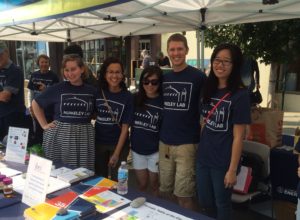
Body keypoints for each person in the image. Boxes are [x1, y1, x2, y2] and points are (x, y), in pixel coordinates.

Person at [196, 43, 251, 220]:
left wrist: (232, 170)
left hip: (223, 162)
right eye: (217, 60)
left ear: (234, 66)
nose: (220, 65)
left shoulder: (240, 95)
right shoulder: (208, 88)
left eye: (226, 61)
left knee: (222, 204)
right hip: (204, 157)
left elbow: (238, 137)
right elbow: (204, 121)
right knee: (205, 201)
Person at [159, 33, 206, 209]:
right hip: (165, 144)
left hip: (187, 145)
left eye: (180, 49)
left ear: (187, 50)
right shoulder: (165, 78)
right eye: (172, 49)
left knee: (184, 195)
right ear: (168, 52)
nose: (176, 53)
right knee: (165, 192)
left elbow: (210, 104)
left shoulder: (199, 77)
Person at [31, 54, 97, 170]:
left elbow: (96, 112)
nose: (70, 73)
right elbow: (36, 103)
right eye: (66, 70)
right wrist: (44, 125)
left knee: (82, 172)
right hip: (60, 136)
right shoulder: (58, 88)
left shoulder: (91, 90)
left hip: (83, 136)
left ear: (81, 69)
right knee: (58, 171)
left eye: (73, 69)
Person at [95, 57, 133, 181]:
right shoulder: (98, 92)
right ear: (105, 74)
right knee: (100, 180)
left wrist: (116, 154)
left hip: (119, 144)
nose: (114, 76)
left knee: (118, 181)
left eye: (118, 72)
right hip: (99, 143)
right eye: (110, 72)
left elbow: (125, 128)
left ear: (122, 75)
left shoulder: (127, 97)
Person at [130, 66, 163, 196]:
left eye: (154, 82)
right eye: (146, 81)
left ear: (159, 83)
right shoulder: (134, 98)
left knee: (155, 185)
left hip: (156, 150)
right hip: (137, 149)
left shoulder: (163, 101)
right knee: (142, 185)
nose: (150, 85)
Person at [27, 54, 59, 144]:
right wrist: (31, 106)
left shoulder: (54, 76)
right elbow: (31, 92)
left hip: (49, 110)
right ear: (38, 63)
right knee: (37, 131)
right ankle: (38, 150)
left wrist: (46, 89)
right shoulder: (34, 75)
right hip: (37, 108)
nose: (44, 64)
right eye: (42, 62)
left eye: (46, 62)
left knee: (49, 131)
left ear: (49, 64)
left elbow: (56, 94)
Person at [0, 41, 26, 141]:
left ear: (7, 52)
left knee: (13, 152)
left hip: (14, 117)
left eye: (0, 54)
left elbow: (5, 97)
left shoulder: (14, 70)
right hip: (2, 116)